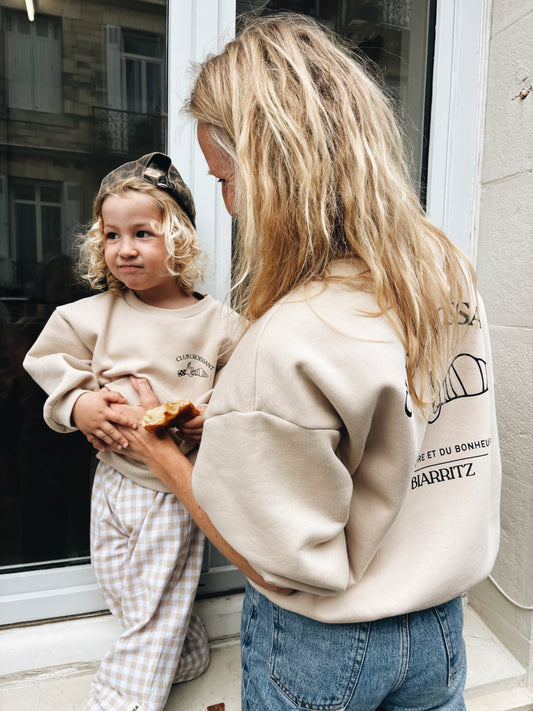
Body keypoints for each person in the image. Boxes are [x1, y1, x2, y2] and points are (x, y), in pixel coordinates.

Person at [112, 14, 502, 711]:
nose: (228, 205)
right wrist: (237, 425)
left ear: (272, 172)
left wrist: (164, 458)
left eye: (225, 178)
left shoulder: (287, 339)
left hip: (327, 647)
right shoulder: (442, 270)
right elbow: (395, 423)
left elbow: (281, 566)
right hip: (442, 626)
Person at [23, 152, 241, 711]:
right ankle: (188, 655)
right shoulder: (89, 315)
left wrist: (207, 418)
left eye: (142, 233)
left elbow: (245, 395)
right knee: (125, 591)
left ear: (179, 239)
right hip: (111, 480)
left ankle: (119, 701)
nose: (125, 249)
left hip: (171, 488)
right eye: (112, 235)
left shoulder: (220, 325)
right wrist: (78, 405)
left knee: (151, 612)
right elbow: (48, 365)